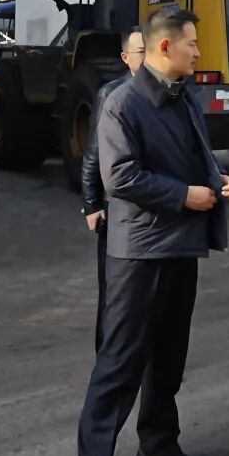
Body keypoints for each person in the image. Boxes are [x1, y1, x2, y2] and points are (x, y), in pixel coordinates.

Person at [74, 8, 229, 456]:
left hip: (180, 246)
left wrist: (216, 180)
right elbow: (120, 177)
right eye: (192, 43)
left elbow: (192, 158)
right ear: (165, 47)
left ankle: (159, 446)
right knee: (121, 360)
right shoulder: (123, 103)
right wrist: (185, 195)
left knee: (169, 357)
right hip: (140, 252)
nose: (198, 52)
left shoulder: (184, 98)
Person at [81, 26, 144, 352]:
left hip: (147, 212)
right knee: (114, 293)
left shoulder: (167, 94)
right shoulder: (112, 94)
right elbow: (94, 153)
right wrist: (92, 204)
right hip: (115, 206)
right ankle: (106, 356)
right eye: (140, 52)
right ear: (125, 58)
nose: (147, 59)